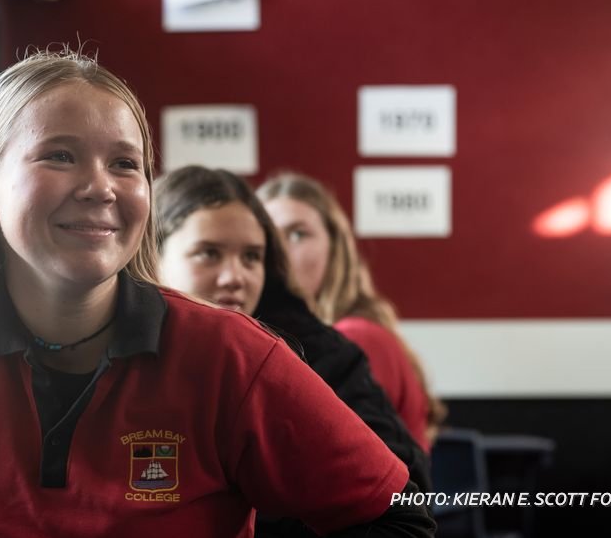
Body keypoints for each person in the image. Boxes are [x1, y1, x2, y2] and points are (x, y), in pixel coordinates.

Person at [0, 50, 435, 538]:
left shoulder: (231, 355)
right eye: (59, 155)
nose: (99, 187)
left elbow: (399, 518)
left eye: (124, 163)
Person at [153, 166, 434, 536]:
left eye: (252, 257)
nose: (235, 276)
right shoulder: (100, 355)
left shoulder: (318, 355)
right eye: (209, 253)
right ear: (152, 257)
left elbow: (402, 502)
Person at [257, 172, 446, 452]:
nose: (280, 252)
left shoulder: (355, 338)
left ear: (335, 249)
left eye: (298, 234)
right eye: (269, 237)